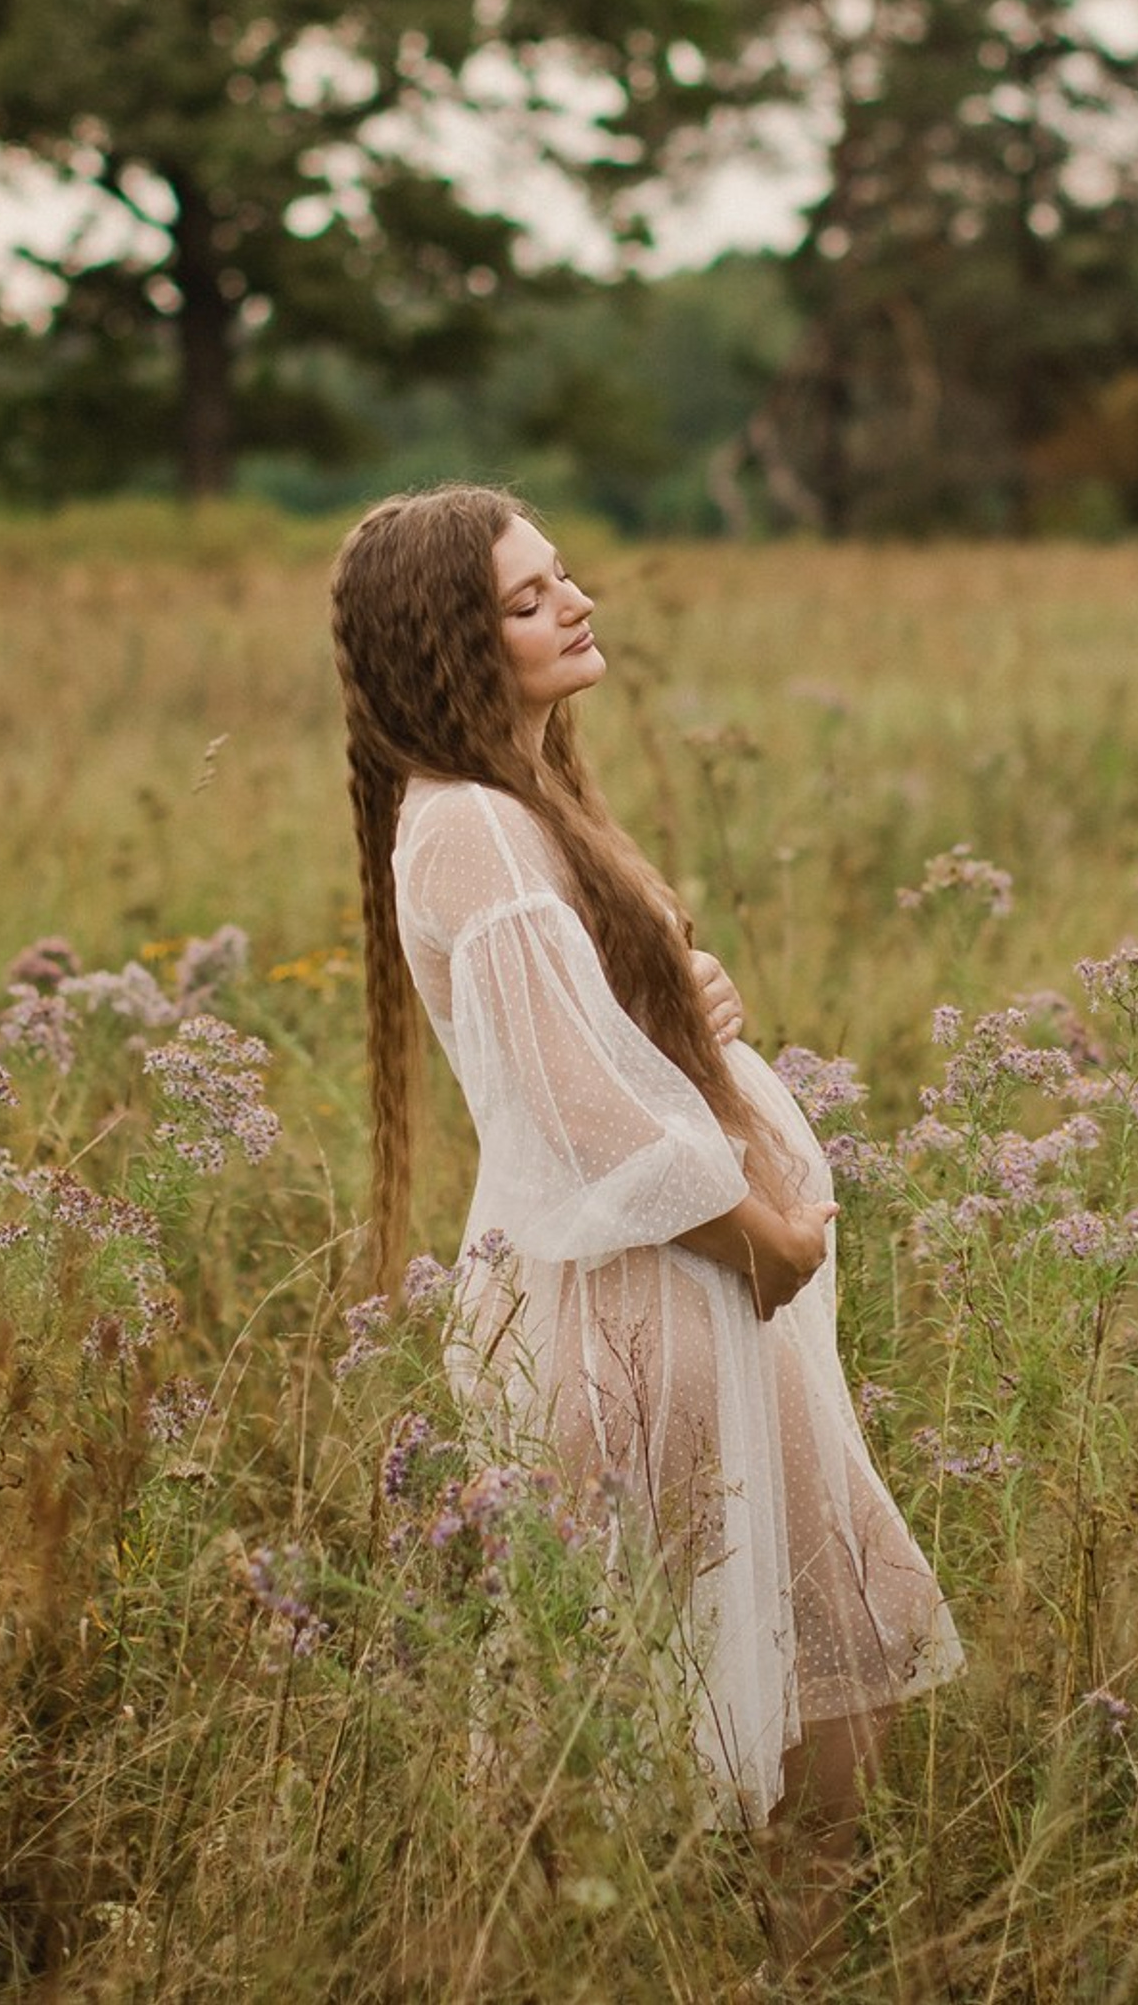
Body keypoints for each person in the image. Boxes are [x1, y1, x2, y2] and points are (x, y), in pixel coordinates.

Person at [329, 482, 962, 1974]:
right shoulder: (472, 826)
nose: (579, 604)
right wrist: (771, 1246)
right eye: (531, 599)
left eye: (566, 577)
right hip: (649, 1303)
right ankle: (502, 1958)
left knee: (823, 1644)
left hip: (697, 1291)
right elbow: (588, 1119)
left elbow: (600, 1043)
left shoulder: (527, 801)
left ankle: (790, 1963)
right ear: (451, 644)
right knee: (597, 1699)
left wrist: (687, 1004)